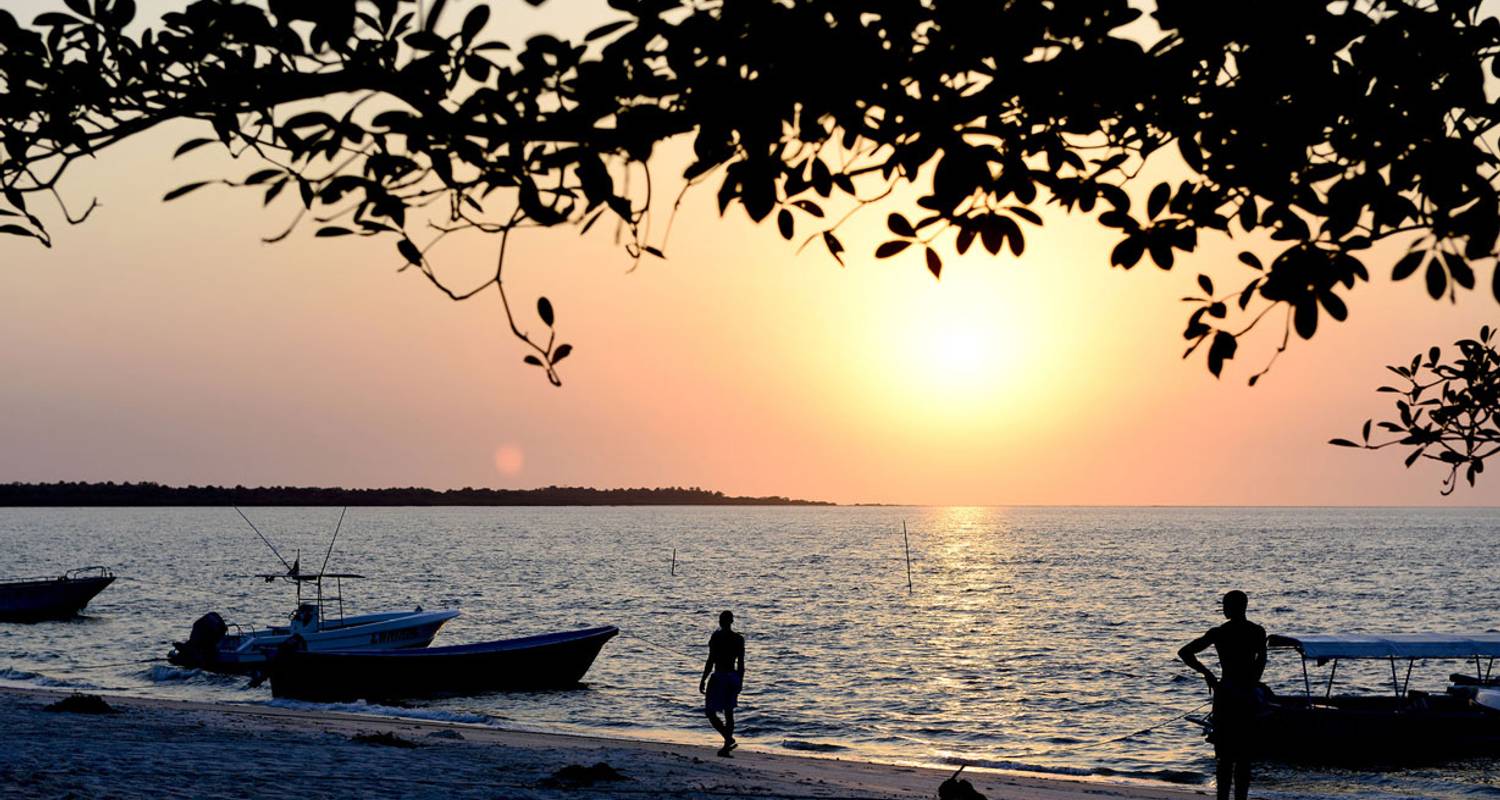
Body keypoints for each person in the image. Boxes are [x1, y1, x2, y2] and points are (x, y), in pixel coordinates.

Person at [1178, 590, 1266, 800]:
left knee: (1225, 758)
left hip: (1225, 695)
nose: (1224, 609)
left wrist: (1207, 674)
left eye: (1226, 605)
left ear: (1236, 607)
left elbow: (1185, 652)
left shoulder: (1219, 633)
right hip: (1246, 696)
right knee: (1243, 758)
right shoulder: (1257, 631)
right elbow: (1261, 660)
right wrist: (1251, 684)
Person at [700, 610, 744, 757]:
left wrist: (703, 679)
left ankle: (728, 739)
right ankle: (727, 743)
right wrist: (740, 682)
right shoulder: (738, 639)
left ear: (720, 621)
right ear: (731, 621)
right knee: (729, 712)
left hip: (719, 677)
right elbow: (741, 665)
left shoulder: (716, 637)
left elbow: (710, 660)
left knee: (710, 712)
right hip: (732, 677)